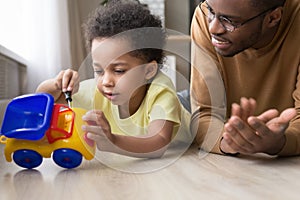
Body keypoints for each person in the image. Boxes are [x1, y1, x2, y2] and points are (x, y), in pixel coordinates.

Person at [36, 0, 191, 158]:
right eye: (98, 70)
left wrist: (113, 141)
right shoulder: (95, 90)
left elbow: (159, 142)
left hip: (188, 109)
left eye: (118, 70)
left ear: (148, 71)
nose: (106, 81)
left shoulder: (161, 91)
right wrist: (57, 85)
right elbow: (44, 102)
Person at [190, 0, 300, 156]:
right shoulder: (203, 16)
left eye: (230, 21)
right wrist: (228, 142)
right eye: (211, 11)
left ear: (273, 18)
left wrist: (280, 143)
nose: (212, 28)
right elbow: (204, 113)